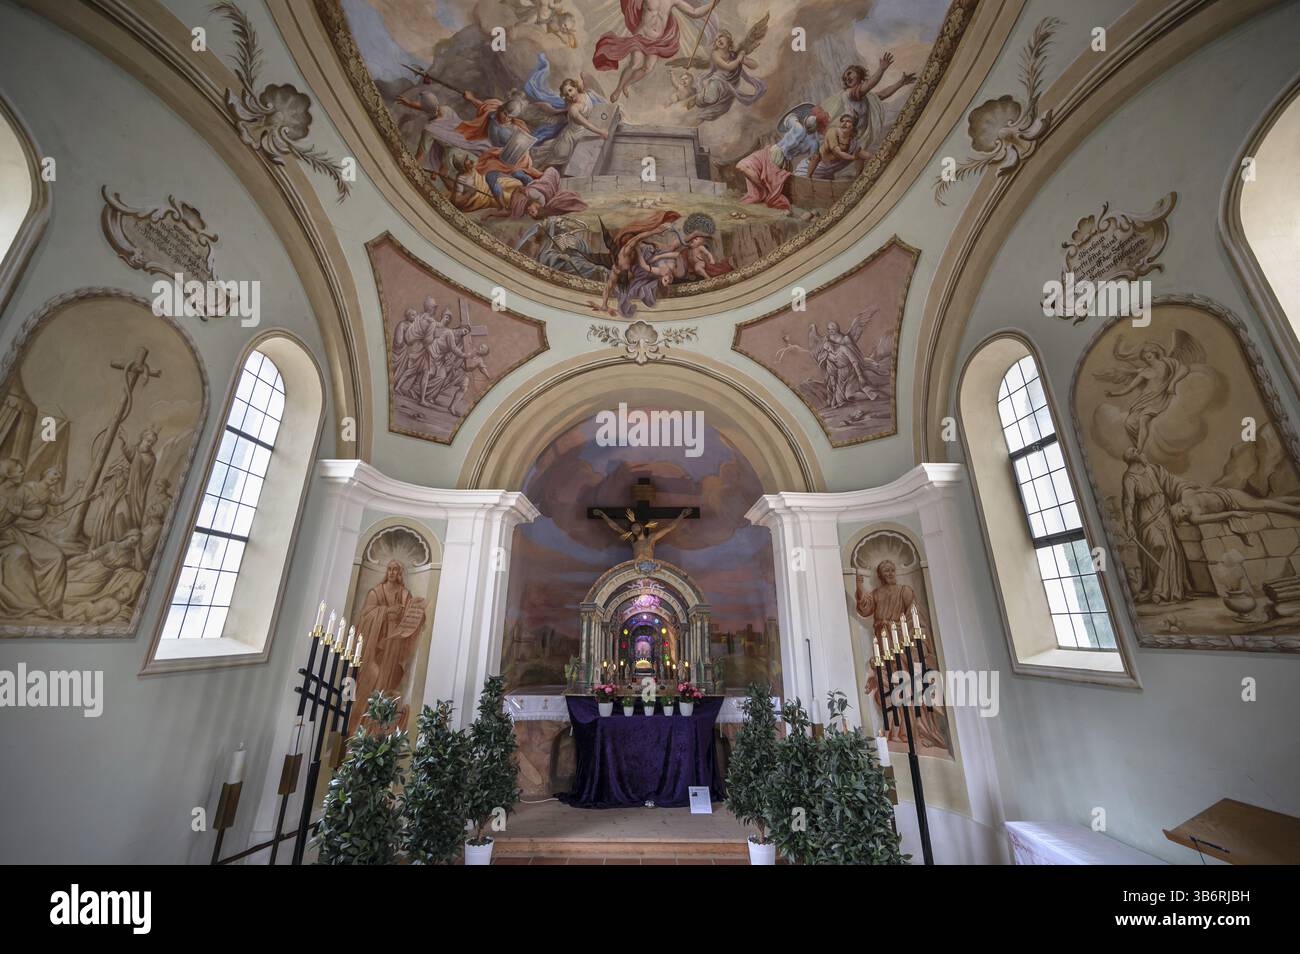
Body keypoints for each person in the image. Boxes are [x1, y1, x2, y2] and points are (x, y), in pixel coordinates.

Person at [349, 560, 426, 733]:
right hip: (375, 646)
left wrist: (418, 612)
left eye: (395, 570)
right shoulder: (376, 592)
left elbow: (412, 619)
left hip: (394, 647)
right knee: (372, 679)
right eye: (389, 569)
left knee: (388, 682)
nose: (392, 573)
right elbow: (365, 617)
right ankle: (361, 725)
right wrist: (386, 612)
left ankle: (379, 727)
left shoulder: (405, 594)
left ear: (400, 573)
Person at [593, 0, 719, 102]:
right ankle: (618, 89)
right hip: (641, 35)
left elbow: (695, 12)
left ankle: (628, 84)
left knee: (648, 68)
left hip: (656, 41)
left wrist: (713, 3)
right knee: (636, 63)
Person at [1119, 447, 1189, 603]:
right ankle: (1156, 588)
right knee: (1158, 545)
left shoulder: (1152, 468)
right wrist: (1129, 524)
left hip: (1163, 512)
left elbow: (1170, 483)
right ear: (1133, 458)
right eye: (1136, 451)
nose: (1142, 452)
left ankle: (1164, 591)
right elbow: (1128, 503)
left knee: (1171, 548)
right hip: (1146, 516)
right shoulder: (1129, 478)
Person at [736, 107, 826, 211]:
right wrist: (808, 176)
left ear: (805, 121)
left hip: (774, 156)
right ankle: (762, 191)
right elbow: (814, 160)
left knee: (742, 166)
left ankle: (763, 191)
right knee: (744, 167)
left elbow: (788, 119)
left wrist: (797, 116)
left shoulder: (798, 128)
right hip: (779, 159)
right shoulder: (814, 142)